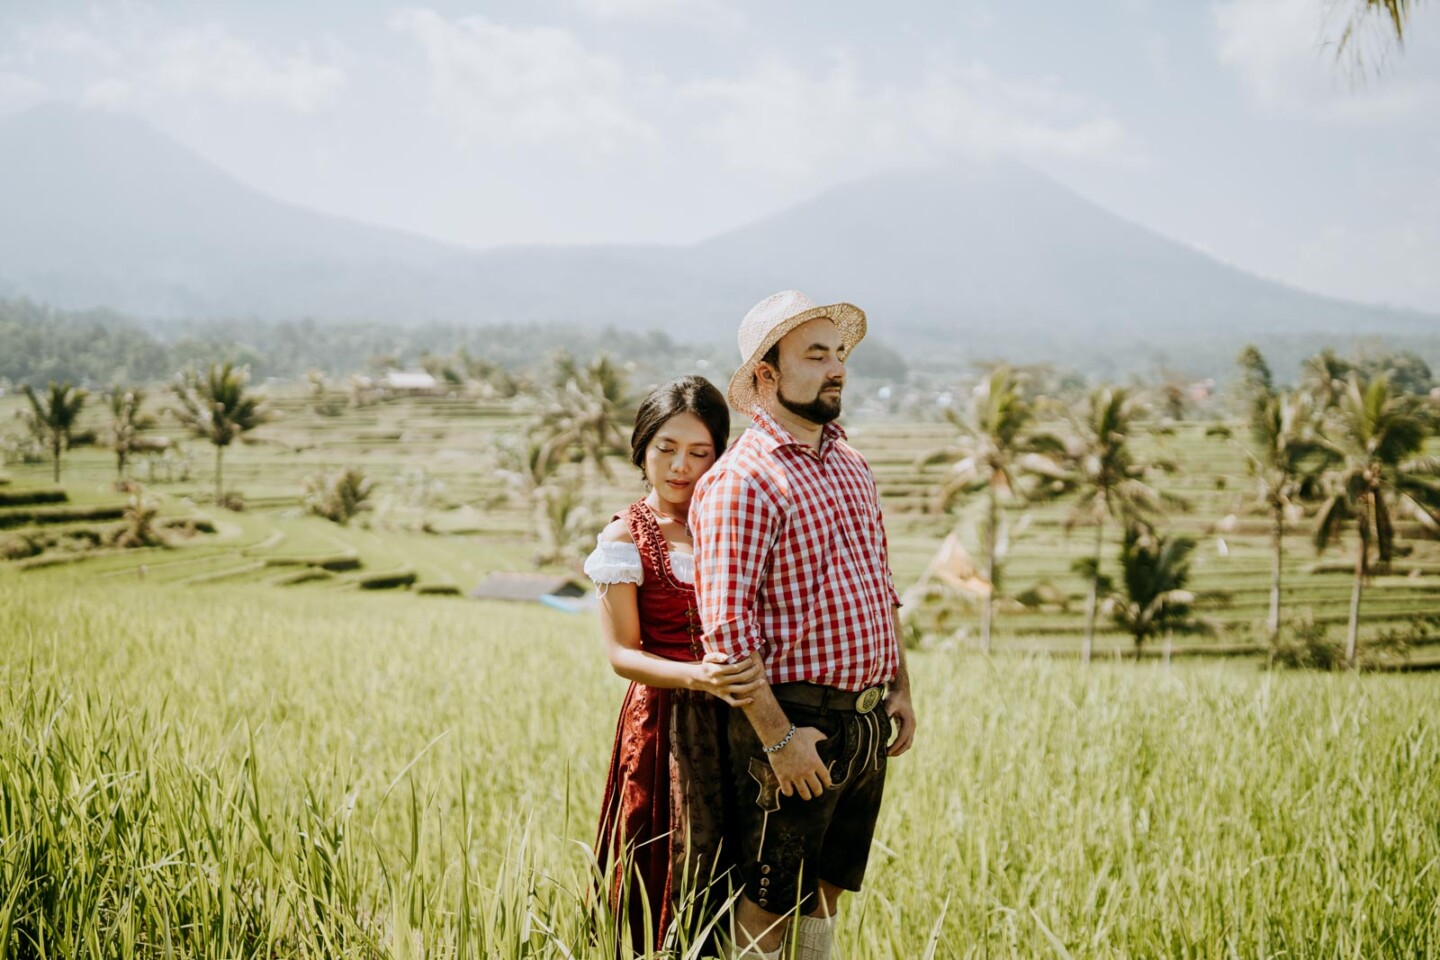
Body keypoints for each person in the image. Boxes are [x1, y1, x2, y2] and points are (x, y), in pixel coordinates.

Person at [690, 290, 918, 960]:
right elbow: (727, 638)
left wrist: (899, 688)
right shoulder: (744, 481)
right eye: (815, 354)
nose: (836, 367)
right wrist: (780, 740)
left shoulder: (850, 465)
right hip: (793, 722)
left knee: (825, 893)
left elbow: (880, 586)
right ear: (766, 373)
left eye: (839, 352)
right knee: (768, 906)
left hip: (864, 722)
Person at [584, 375, 765, 954]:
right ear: (642, 448)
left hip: (742, 719)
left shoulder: (731, 524)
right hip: (664, 727)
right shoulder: (625, 537)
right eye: (666, 448)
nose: (680, 466)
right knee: (665, 869)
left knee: (741, 876)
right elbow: (621, 655)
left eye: (699, 452)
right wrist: (698, 676)